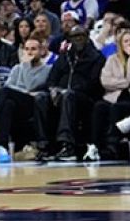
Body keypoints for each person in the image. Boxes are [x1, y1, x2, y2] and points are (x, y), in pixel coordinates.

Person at [41, 24, 105, 161]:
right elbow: (51, 79)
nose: (78, 39)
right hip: (62, 95)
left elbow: (94, 84)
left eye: (81, 36)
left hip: (85, 98)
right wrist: (53, 89)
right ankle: (44, 145)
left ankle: (67, 145)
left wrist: (68, 91)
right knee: (41, 98)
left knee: (69, 96)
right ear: (70, 39)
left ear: (87, 37)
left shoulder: (96, 57)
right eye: (75, 37)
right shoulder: (65, 57)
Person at [90, 28, 130, 160]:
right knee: (99, 106)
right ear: (120, 44)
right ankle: (95, 146)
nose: (129, 44)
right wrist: (126, 83)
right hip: (112, 96)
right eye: (126, 41)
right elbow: (105, 81)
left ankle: (112, 146)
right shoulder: (112, 59)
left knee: (117, 108)